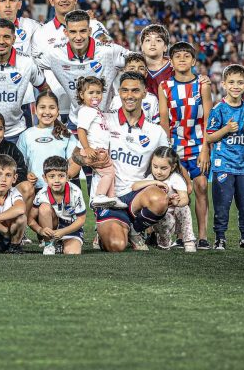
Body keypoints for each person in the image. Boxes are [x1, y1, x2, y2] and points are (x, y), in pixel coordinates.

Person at [71, 72, 170, 252]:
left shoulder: (156, 132)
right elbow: (77, 153)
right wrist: (89, 160)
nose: (129, 95)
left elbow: (169, 164)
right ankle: (107, 232)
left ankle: (135, 229)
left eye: (135, 90)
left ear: (144, 93)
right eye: (124, 90)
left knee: (160, 199)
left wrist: (181, 187)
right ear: (119, 93)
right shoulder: (102, 120)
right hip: (108, 199)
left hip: (136, 195)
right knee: (116, 246)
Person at [158, 41, 213, 249]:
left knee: (201, 186)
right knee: (180, 191)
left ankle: (202, 236)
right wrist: (169, 152)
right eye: (177, 56)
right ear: (170, 61)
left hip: (199, 146)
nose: (182, 58)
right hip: (176, 147)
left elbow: (209, 118)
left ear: (193, 60)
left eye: (186, 55)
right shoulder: (165, 86)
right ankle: (182, 236)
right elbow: (164, 120)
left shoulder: (203, 84)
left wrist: (206, 149)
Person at [37, 9, 125, 128]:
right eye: (73, 32)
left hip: (107, 122)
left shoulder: (109, 51)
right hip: (76, 122)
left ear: (89, 31)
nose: (78, 37)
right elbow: (28, 64)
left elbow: (138, 61)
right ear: (66, 32)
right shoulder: (55, 54)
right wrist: (42, 85)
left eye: (83, 31)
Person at [205, 64, 244, 250]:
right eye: (232, 82)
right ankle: (220, 238)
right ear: (224, 85)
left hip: (243, 166)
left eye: (240, 83)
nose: (236, 86)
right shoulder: (219, 109)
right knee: (222, 205)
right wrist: (227, 129)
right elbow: (209, 136)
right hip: (223, 165)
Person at [73, 76, 119, 209]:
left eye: (98, 93)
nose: (95, 96)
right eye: (91, 92)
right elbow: (81, 130)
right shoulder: (86, 111)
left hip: (98, 149)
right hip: (93, 150)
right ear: (82, 95)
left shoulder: (94, 111)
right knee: (108, 173)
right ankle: (99, 196)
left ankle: (111, 198)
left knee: (110, 172)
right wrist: (87, 149)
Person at [16, 91, 79, 188]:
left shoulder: (66, 134)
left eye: (52, 108)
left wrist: (64, 178)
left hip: (59, 188)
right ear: (35, 110)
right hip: (35, 188)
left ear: (58, 111)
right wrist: (26, 175)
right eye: (42, 107)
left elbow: (75, 162)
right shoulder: (26, 135)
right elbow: (19, 165)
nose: (47, 112)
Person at [139, 147, 195, 252]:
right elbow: (135, 187)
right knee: (161, 214)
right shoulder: (150, 179)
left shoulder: (175, 178)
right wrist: (155, 183)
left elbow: (185, 199)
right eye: (155, 167)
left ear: (173, 167)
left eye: (163, 168)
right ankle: (164, 242)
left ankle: (188, 241)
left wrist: (177, 203)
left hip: (178, 221)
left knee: (184, 208)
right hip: (161, 220)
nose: (158, 172)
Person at [29, 156, 87, 255]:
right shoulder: (42, 194)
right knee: (44, 208)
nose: (56, 180)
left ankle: (60, 246)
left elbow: (81, 219)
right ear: (45, 178)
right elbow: (30, 219)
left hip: (70, 228)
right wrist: (40, 230)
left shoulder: (76, 192)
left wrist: (63, 232)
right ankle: (49, 244)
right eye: (52, 176)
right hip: (52, 228)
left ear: (67, 176)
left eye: (61, 176)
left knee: (73, 252)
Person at [107, 53, 160, 122]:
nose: (136, 71)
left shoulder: (152, 99)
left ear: (146, 73)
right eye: (132, 68)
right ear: (124, 71)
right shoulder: (117, 99)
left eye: (141, 68)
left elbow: (156, 126)